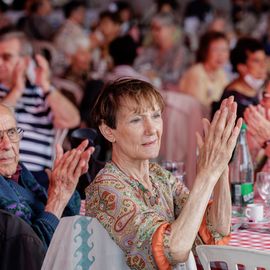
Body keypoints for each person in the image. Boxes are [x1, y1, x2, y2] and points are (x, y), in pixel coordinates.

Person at [85, 79, 242, 269]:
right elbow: (173, 250)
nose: (152, 130)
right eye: (136, 120)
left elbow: (214, 230)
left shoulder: (158, 176)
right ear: (108, 132)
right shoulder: (107, 187)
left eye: (156, 116)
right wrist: (207, 176)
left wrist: (220, 166)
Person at [0, 103, 93, 248]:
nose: (7, 144)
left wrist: (66, 184)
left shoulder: (20, 171)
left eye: (11, 132)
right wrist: (57, 199)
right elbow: (32, 253)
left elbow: (62, 218)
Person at [0, 29, 80, 186]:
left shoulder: (42, 93)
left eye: (6, 57)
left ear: (25, 62)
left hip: (37, 178)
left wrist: (45, 85)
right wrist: (17, 90)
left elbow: (71, 120)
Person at [178, 31, 229, 119]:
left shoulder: (221, 73)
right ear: (205, 51)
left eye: (224, 50)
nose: (221, 55)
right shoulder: (196, 73)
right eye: (215, 50)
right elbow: (196, 108)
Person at [213, 37, 267, 118]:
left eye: (264, 60)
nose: (263, 66)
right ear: (241, 67)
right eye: (256, 61)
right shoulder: (232, 99)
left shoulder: (256, 92)